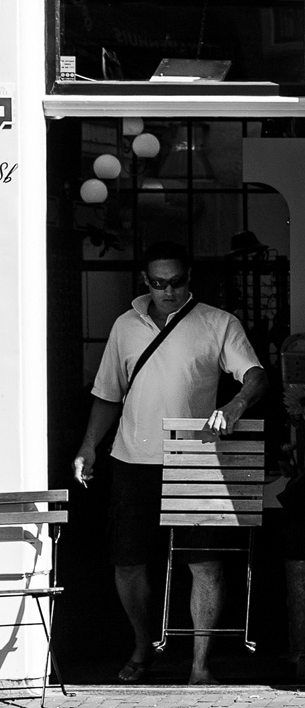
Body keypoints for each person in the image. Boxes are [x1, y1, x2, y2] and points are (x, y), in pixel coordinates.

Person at [72, 240, 268, 684]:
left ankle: (199, 666)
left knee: (205, 563)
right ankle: (143, 646)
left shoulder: (217, 323)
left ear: (189, 279)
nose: (168, 291)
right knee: (128, 561)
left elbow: (256, 375)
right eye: (159, 283)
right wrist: (87, 446)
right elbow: (107, 394)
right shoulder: (126, 325)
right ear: (146, 282)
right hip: (133, 457)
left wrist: (235, 406)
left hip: (195, 458)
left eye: (176, 282)